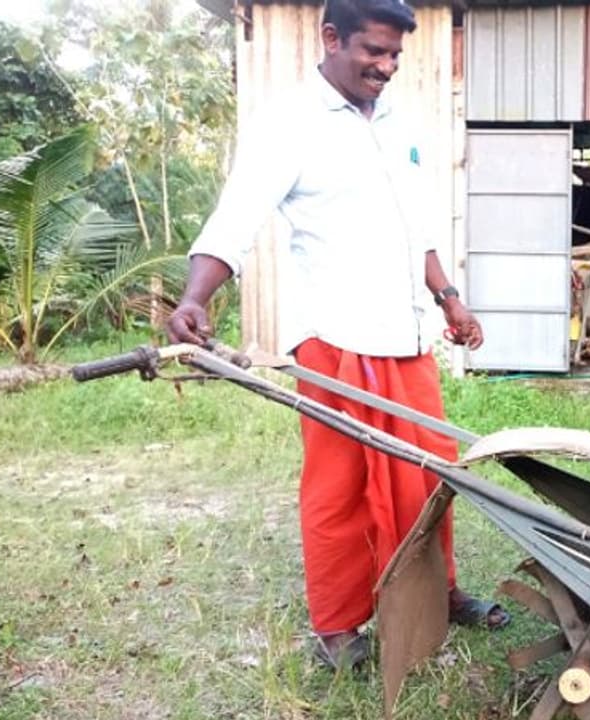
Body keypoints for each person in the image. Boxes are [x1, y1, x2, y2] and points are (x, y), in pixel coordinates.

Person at [165, 0, 508, 671]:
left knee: (429, 475)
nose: (386, 67)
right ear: (332, 37)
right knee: (340, 489)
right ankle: (339, 627)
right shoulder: (289, 123)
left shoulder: (399, 122)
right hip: (337, 337)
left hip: (406, 337)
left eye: (395, 56)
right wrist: (194, 298)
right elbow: (237, 217)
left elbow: (420, 228)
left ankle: (436, 593)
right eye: (373, 52)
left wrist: (450, 300)